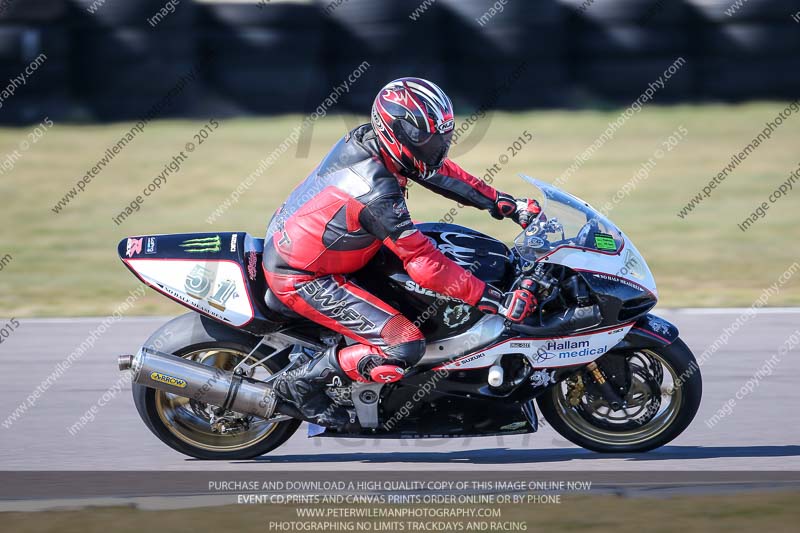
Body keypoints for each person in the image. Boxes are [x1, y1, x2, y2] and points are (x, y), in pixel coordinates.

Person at [263, 77, 541, 428]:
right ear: (398, 132)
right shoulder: (376, 192)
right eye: (426, 139)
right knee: (404, 345)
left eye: (441, 137)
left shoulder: (372, 141)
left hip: (338, 247)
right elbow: (424, 264)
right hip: (305, 275)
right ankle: (300, 384)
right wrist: (493, 299)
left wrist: (500, 202)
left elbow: (437, 172)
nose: (436, 147)